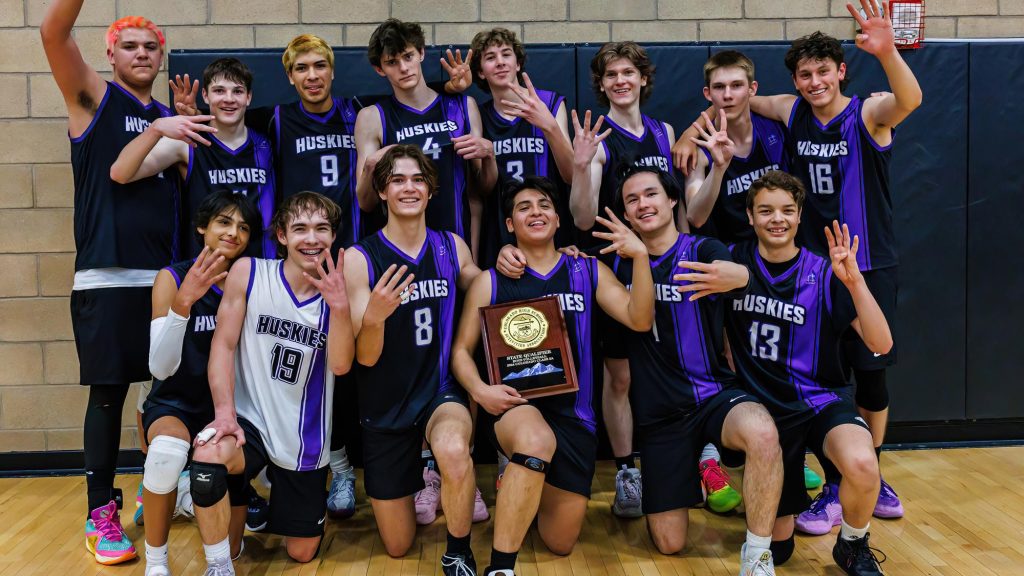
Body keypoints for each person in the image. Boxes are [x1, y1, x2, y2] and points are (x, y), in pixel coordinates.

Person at [679, 1, 923, 523]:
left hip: (866, 263)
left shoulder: (869, 112)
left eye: (822, 72)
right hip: (812, 268)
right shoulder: (791, 111)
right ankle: (833, 480)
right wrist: (690, 133)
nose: (814, 82)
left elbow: (910, 98)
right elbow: (736, 102)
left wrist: (888, 51)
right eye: (804, 74)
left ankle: (869, 475)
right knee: (820, 376)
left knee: (871, 375)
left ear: (841, 72)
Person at [451, 176, 655, 575]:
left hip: (576, 420)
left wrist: (641, 257)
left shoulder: (586, 269)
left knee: (560, 543)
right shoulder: (491, 280)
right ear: (509, 225)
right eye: (523, 207)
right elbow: (460, 351)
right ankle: (500, 567)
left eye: (543, 205)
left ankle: (525, 478)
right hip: (515, 407)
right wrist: (480, 391)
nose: (535, 212)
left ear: (558, 218)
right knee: (534, 439)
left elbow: (639, 317)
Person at [41, 1, 179, 564]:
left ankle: (159, 489)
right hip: (106, 274)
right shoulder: (94, 99)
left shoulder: (171, 116)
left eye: (150, 47)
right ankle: (101, 511)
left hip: (163, 277)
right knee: (108, 395)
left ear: (161, 55)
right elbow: (53, 31)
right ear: (110, 54)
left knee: (165, 392)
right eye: (130, 46)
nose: (141, 54)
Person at [606, 166, 783, 574]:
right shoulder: (617, 267)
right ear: (627, 217)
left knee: (762, 431)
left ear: (671, 201)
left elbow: (742, 276)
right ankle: (702, 464)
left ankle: (757, 556)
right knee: (669, 543)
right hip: (661, 415)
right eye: (632, 200)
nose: (642, 204)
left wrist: (739, 275)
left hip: (714, 396)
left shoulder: (703, 250)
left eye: (651, 194)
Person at [726, 170, 893, 575]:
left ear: (800, 215)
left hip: (817, 398)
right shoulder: (731, 262)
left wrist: (855, 283)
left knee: (863, 460)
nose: (776, 219)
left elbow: (881, 343)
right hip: (762, 410)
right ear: (750, 216)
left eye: (787, 210)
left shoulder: (824, 273)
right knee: (780, 550)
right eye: (765, 210)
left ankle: (853, 543)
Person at [679, 50, 823, 496]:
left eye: (736, 86)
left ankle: (782, 451)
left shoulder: (776, 130)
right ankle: (708, 459)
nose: (728, 95)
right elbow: (697, 216)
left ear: (752, 89)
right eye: (718, 88)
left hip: (779, 259)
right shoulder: (702, 141)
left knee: (777, 356)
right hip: (726, 263)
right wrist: (718, 167)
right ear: (707, 94)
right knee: (722, 357)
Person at [188, 192, 354, 573]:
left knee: (301, 553)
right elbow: (223, 344)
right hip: (250, 423)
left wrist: (341, 308)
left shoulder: (339, 291)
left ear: (332, 236)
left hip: (303, 440)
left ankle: (257, 499)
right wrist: (224, 413)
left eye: (321, 229)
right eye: (300, 229)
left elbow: (342, 366)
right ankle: (218, 567)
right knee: (208, 457)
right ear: (281, 234)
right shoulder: (250, 272)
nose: (311, 238)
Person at [344, 145, 483, 575]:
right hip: (385, 402)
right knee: (399, 546)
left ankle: (458, 552)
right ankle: (428, 478)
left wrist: (529, 262)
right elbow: (364, 358)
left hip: (440, 391)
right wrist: (375, 317)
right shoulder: (358, 258)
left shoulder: (450, 246)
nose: (409, 187)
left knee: (454, 448)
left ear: (430, 190)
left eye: (418, 179)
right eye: (398, 180)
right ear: (382, 191)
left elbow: (486, 288)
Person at [569, 42, 679, 517]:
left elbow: (680, 207)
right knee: (619, 377)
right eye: (610, 74)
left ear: (642, 79)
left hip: (665, 263)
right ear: (602, 84)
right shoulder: (598, 136)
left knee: (674, 365)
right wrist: (580, 165)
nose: (620, 80)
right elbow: (582, 216)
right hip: (615, 265)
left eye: (627, 72)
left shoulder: (665, 131)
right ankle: (626, 472)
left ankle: (685, 457)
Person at [140, 191, 258, 576]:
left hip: (229, 410)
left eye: (243, 226)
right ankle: (156, 564)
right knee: (166, 455)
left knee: (236, 546)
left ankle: (205, 516)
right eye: (224, 222)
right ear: (202, 227)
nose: (234, 233)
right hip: (175, 403)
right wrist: (183, 303)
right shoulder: (171, 277)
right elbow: (160, 366)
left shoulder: (252, 280)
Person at [111, 57, 276, 259]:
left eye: (238, 91)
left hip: (260, 266)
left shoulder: (268, 144)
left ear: (248, 97)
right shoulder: (186, 143)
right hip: (204, 268)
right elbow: (120, 173)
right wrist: (155, 129)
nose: (229, 98)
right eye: (219, 91)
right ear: (205, 96)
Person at [354, 18, 497, 247]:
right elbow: (365, 203)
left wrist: (490, 155)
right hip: (401, 248)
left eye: (408, 56)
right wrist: (371, 165)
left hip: (456, 241)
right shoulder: (372, 118)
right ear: (380, 69)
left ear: (421, 53)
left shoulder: (463, 107)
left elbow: (479, 191)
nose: (403, 67)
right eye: (392, 62)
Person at [467, 27, 576, 269]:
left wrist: (550, 127)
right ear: (480, 72)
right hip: (502, 231)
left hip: (549, 226)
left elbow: (571, 175)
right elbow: (483, 189)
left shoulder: (550, 102)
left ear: (518, 63)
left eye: (506, 54)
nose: (500, 63)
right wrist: (489, 157)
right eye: (490, 57)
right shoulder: (479, 114)